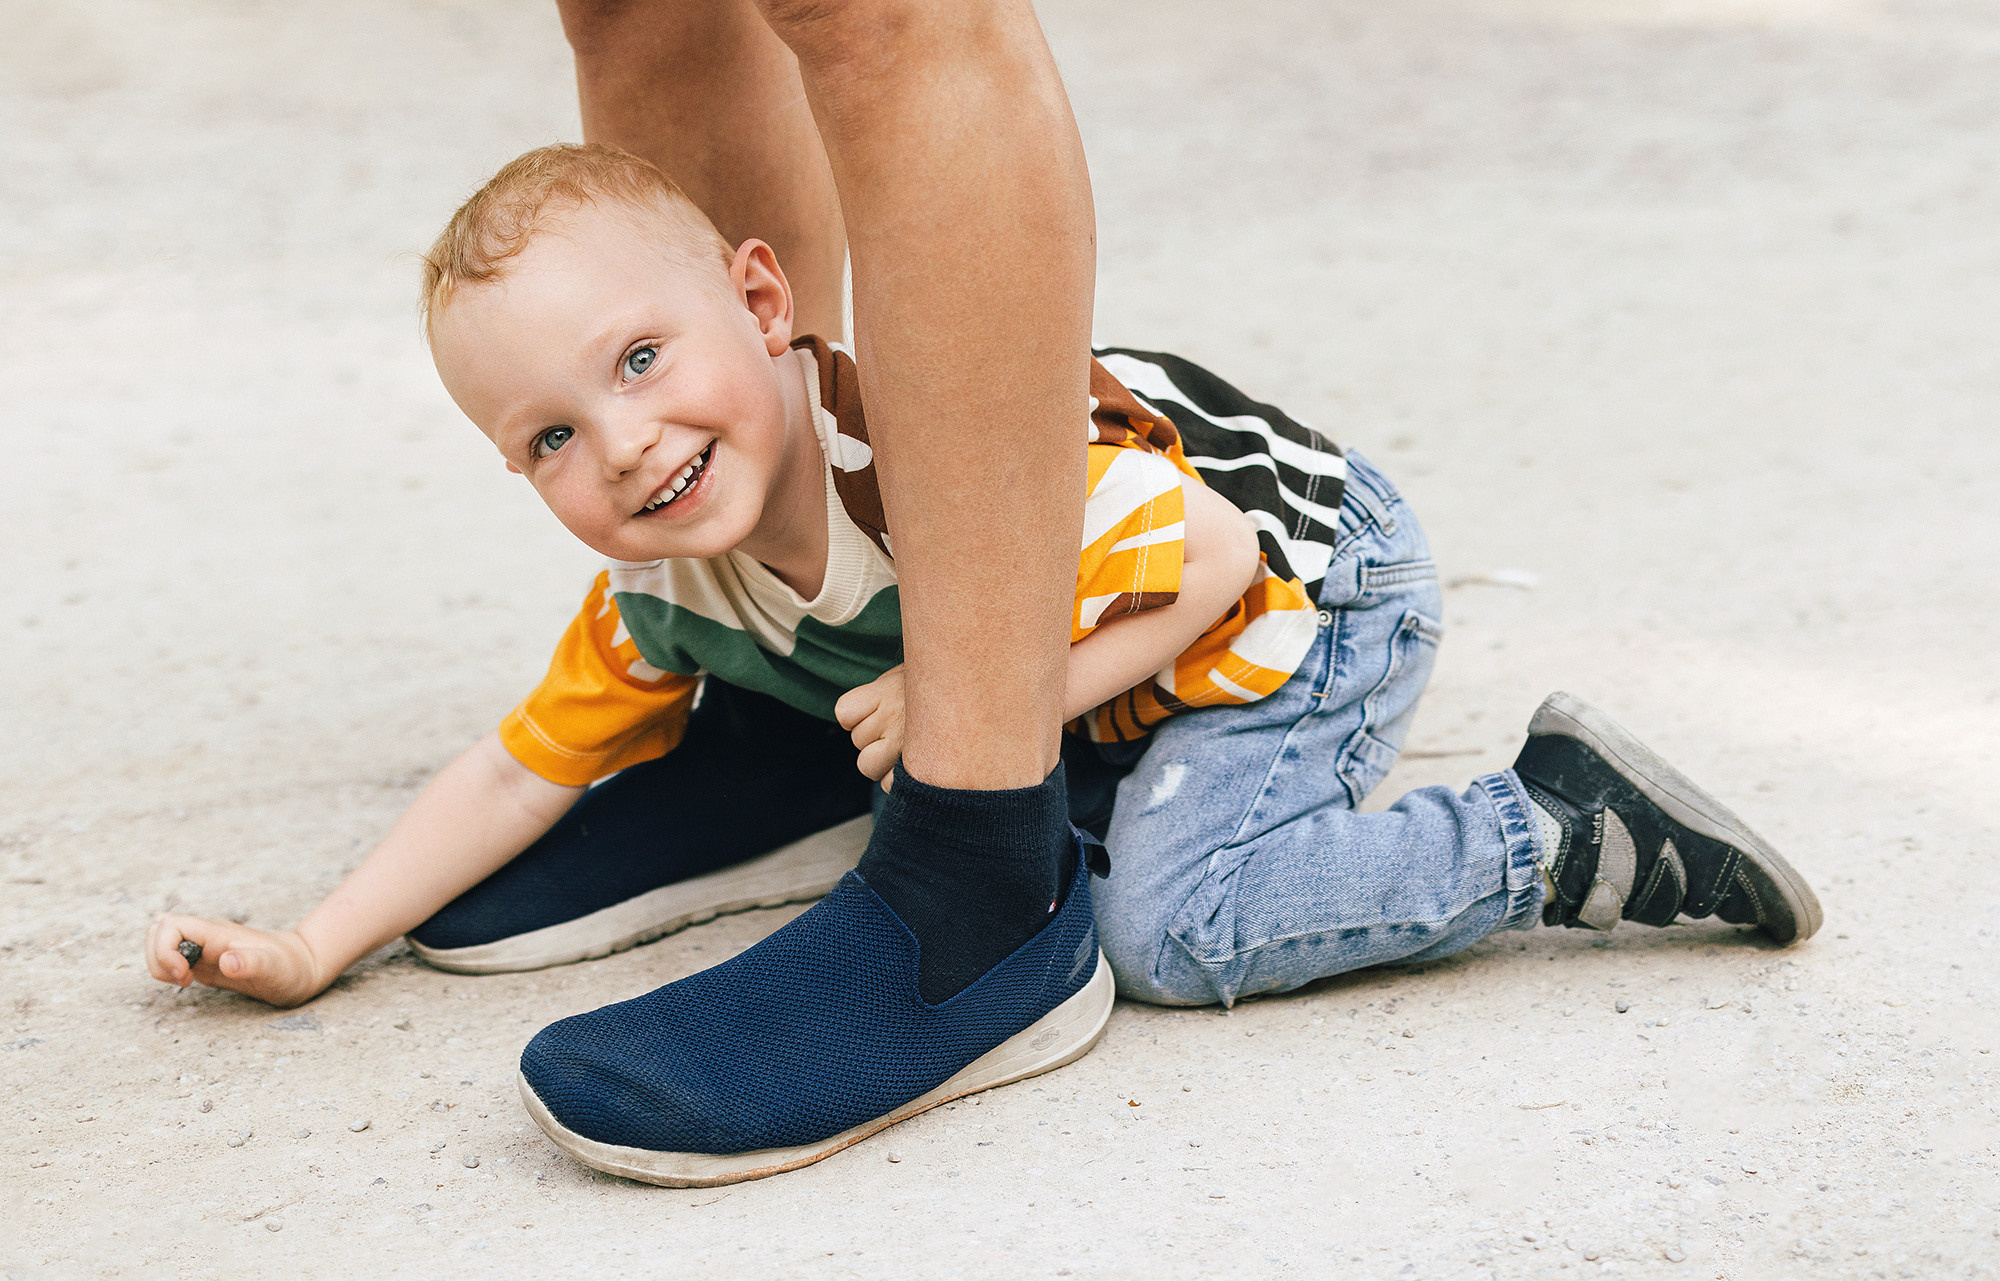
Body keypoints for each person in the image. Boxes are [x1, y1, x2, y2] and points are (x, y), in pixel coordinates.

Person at [145, 144, 1821, 1186]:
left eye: (642, 357)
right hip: (1146, 622)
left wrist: (982, 703)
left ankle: (1560, 831)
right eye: (552, 437)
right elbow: (522, 766)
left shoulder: (925, 462)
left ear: (763, 299)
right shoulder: (668, 586)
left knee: (1169, 927)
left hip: (1304, 594)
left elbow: (1212, 565)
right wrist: (317, 941)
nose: (626, 442)